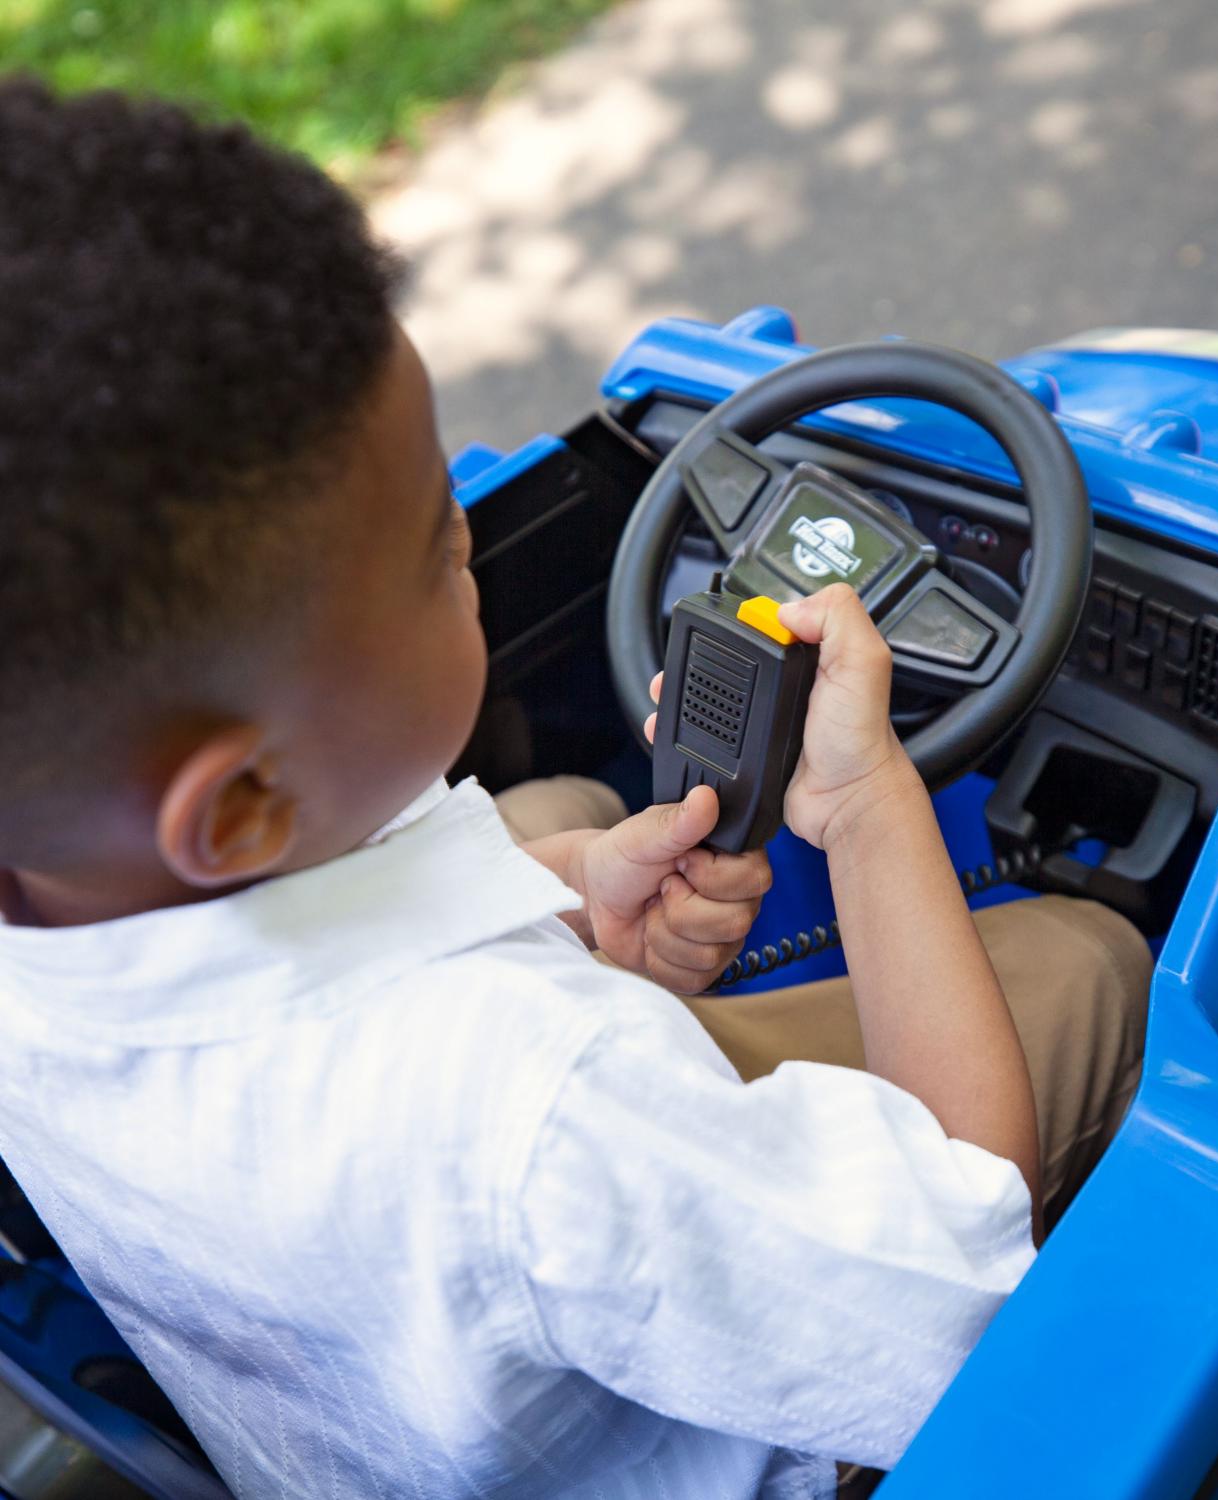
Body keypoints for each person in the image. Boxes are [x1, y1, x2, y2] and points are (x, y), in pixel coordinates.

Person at [0, 79, 1149, 1499]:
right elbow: (960, 1231)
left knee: (563, 823)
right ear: (238, 807)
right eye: (438, 549)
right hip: (711, 1413)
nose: (467, 556)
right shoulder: (545, 1114)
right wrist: (866, 812)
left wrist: (559, 902)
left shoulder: (50, 887)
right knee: (1084, 963)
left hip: (361, 1393)